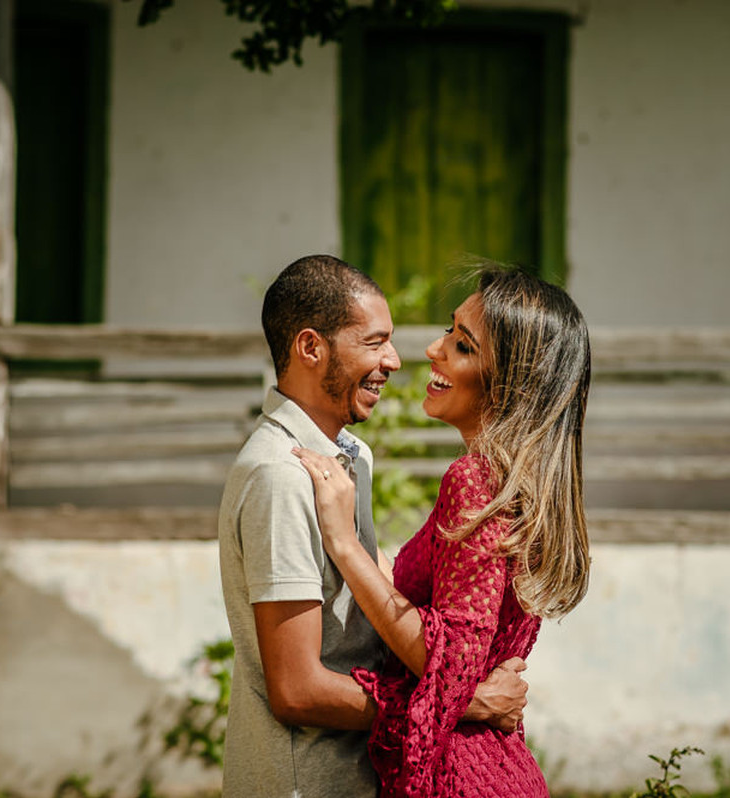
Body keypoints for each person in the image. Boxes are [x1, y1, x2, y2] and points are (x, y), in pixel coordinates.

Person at [217, 255, 531, 798]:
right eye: (374, 341)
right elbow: (295, 690)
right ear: (311, 347)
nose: (394, 358)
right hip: (306, 781)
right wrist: (463, 701)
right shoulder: (280, 476)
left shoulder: (350, 457)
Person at [294, 265, 593, 798]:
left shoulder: (475, 481)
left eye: (461, 346)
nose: (433, 348)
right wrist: (370, 549)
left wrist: (342, 543)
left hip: (460, 779)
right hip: (496, 769)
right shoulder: (516, 486)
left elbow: (450, 664)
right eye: (448, 329)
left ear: (509, 381)